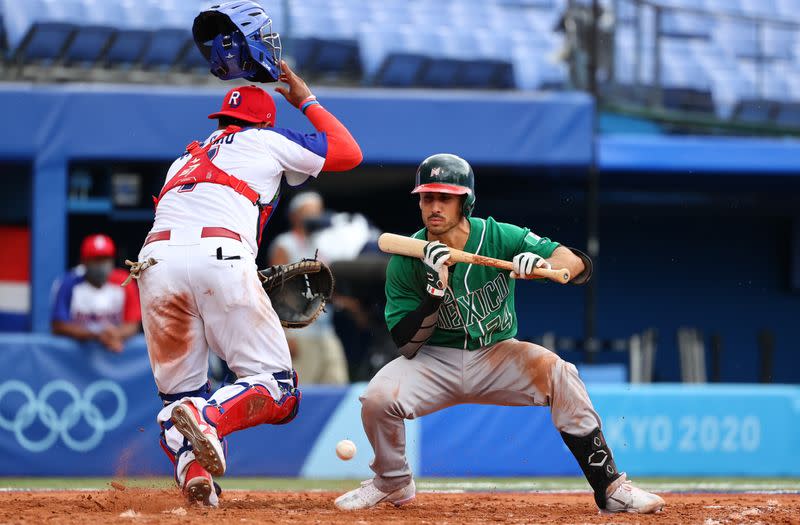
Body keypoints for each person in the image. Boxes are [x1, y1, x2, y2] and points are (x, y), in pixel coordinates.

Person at [334, 154, 665, 514]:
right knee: (378, 398)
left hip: (496, 353)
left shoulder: (499, 236)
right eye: (427, 198)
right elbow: (406, 344)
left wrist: (542, 266)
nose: (434, 206)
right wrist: (433, 296)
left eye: (445, 198)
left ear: (466, 202)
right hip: (433, 358)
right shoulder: (407, 256)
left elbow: (579, 265)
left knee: (561, 373)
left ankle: (610, 489)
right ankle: (392, 480)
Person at [132, 23, 362, 510]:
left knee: (180, 396)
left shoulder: (182, 160)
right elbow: (348, 152)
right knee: (279, 389)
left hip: (155, 264)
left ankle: (196, 474)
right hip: (221, 255)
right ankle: (211, 419)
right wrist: (304, 97)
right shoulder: (267, 141)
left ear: (221, 121)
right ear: (263, 122)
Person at [269, 192, 349, 385]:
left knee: (337, 385)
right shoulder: (284, 243)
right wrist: (284, 336)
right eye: (310, 211)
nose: (316, 216)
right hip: (299, 332)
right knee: (301, 390)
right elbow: (274, 290)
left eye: (318, 211)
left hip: (325, 330)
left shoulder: (323, 244)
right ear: (295, 215)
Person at [51, 233, 141, 353]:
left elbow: (133, 324)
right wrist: (98, 335)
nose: (101, 265)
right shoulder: (68, 284)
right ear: (84, 261)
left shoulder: (124, 282)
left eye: (106, 259)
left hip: (113, 352)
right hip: (76, 358)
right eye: (96, 260)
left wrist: (115, 335)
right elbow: (58, 326)